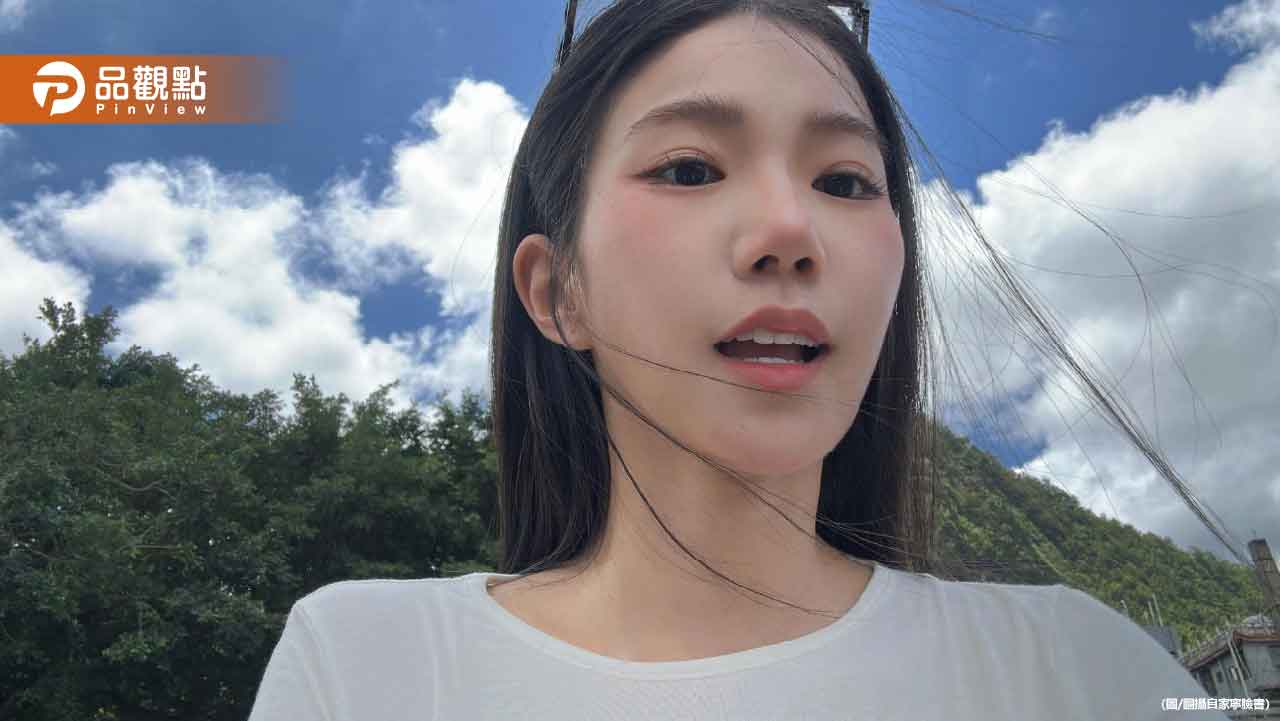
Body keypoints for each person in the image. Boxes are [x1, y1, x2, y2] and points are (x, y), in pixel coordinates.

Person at [248, 1, 1230, 718]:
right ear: (555, 291)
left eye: (845, 181)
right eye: (689, 168)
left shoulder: (1076, 668)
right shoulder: (367, 663)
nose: (788, 230)